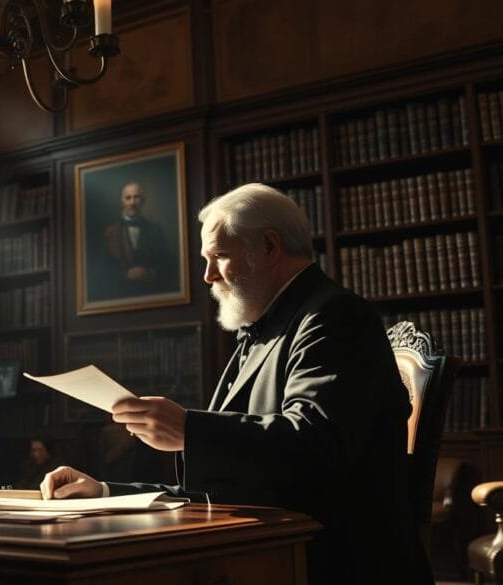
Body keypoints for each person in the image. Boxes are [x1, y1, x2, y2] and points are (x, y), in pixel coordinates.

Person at [42, 183, 428, 585]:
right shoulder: (262, 330)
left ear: (269, 246)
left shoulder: (334, 317)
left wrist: (189, 430)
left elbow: (317, 446)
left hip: (335, 564)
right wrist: (105, 492)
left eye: (219, 256)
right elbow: (230, 487)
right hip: (277, 550)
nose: (208, 275)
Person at [97, 181, 172, 298]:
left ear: (143, 201)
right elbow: (102, 270)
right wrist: (125, 274)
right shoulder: (109, 232)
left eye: (136, 197)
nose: (132, 202)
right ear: (121, 202)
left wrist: (150, 273)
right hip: (119, 295)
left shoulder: (155, 230)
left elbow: (167, 264)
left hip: (152, 293)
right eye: (128, 198)